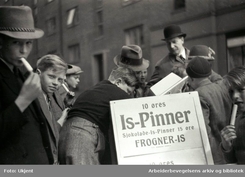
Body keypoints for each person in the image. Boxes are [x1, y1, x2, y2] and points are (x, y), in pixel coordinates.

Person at [0, 6, 54, 164]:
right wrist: (24, 99)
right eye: (16, 42)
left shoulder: (20, 74)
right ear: (1, 42)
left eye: (28, 43)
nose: (23, 50)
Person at [58, 66, 138, 164]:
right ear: (118, 82)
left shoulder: (98, 88)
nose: (127, 95)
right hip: (82, 137)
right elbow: (137, 108)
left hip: (68, 134)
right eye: (128, 91)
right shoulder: (115, 91)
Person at [186, 57, 232, 164]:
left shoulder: (198, 94)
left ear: (192, 78)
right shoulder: (221, 88)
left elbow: (203, 130)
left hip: (214, 154)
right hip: (228, 149)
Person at [35, 54, 69, 164]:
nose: (56, 83)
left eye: (60, 80)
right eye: (51, 76)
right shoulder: (32, 99)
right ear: (38, 73)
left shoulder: (49, 97)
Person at [220, 66, 245, 164]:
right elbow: (232, 161)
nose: (235, 96)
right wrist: (227, 146)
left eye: (240, 90)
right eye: (231, 91)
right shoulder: (238, 120)